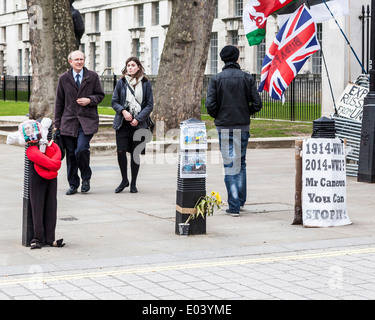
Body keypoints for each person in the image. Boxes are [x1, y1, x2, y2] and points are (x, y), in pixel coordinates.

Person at [205, 45, 263, 217]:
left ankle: (234, 205)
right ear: (237, 58)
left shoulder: (216, 79)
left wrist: (219, 115)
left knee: (230, 165)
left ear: (223, 59)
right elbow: (258, 104)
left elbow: (210, 105)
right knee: (241, 163)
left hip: (224, 126)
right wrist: (246, 112)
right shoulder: (247, 78)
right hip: (242, 125)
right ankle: (240, 200)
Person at [54, 50, 104, 195]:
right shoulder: (63, 78)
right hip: (68, 122)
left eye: (81, 59)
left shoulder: (92, 76)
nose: (79, 62)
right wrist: (57, 124)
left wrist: (90, 100)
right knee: (70, 154)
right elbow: (59, 102)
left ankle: (86, 178)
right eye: (76, 59)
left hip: (87, 120)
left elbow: (100, 95)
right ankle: (73, 184)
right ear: (70, 61)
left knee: (81, 149)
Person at [111, 57, 153, 193]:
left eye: (133, 65)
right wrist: (123, 111)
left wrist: (138, 119)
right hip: (123, 123)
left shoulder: (146, 83)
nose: (130, 67)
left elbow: (149, 105)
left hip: (139, 124)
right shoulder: (121, 82)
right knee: (121, 151)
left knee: (135, 154)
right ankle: (124, 180)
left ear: (138, 67)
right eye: (128, 65)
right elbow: (114, 101)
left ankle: (134, 183)